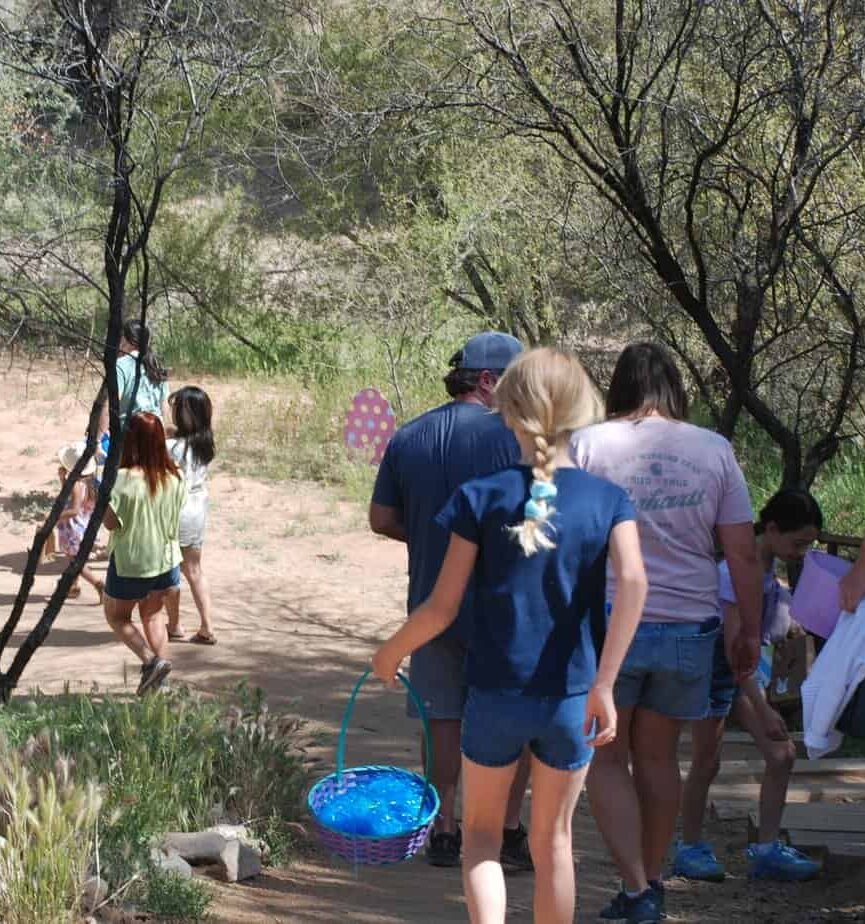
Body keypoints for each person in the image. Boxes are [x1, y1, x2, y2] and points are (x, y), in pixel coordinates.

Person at [372, 347, 647, 924]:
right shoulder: (608, 501)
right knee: (554, 846)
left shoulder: (481, 497)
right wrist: (605, 682)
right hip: (572, 699)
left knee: (480, 842)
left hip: (495, 696)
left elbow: (441, 608)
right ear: (581, 410)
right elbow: (634, 582)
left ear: (506, 409)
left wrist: (391, 652)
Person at [571, 342, 763, 923]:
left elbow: (567, 540)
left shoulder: (587, 444)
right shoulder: (714, 450)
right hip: (689, 626)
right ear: (675, 388)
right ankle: (652, 881)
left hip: (609, 626)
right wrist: (750, 630)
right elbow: (742, 554)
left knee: (606, 759)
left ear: (619, 388)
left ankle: (634, 888)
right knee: (659, 759)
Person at [369, 331, 532, 870]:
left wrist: (429, 532)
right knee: (511, 717)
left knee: (441, 716)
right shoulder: (514, 437)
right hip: (503, 607)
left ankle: (443, 827)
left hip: (430, 603)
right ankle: (508, 831)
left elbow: (381, 519)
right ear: (488, 381)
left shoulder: (408, 436)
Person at [676, 489, 823, 883]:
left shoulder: (771, 570)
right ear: (772, 528)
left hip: (744, 671)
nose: (802, 552)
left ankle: (767, 849)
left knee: (781, 755)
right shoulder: (735, 573)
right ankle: (689, 847)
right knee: (708, 760)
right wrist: (763, 707)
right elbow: (732, 650)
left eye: (808, 545)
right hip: (714, 669)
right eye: (798, 542)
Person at [102, 412, 186, 696]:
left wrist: (100, 497)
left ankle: (152, 662)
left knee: (117, 617)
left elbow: (111, 523)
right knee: (153, 616)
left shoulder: (121, 479)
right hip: (166, 559)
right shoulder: (175, 476)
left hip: (132, 561)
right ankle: (160, 686)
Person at [164, 386, 217, 644]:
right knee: (195, 569)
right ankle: (207, 626)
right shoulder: (204, 444)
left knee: (170, 570)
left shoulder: (172, 448)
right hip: (198, 509)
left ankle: (174, 625)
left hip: (178, 510)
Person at [98, 320, 172, 435]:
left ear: (126, 340)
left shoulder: (120, 365)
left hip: (130, 434)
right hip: (156, 431)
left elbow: (111, 406)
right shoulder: (156, 365)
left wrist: (98, 440)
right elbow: (164, 405)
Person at [56, 443, 104, 601]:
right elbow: (69, 496)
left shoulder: (77, 484)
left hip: (73, 529)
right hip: (83, 527)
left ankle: (98, 584)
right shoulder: (87, 482)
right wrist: (63, 480)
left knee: (76, 562)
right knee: (73, 559)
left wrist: (56, 516)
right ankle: (73, 586)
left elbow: (74, 509)